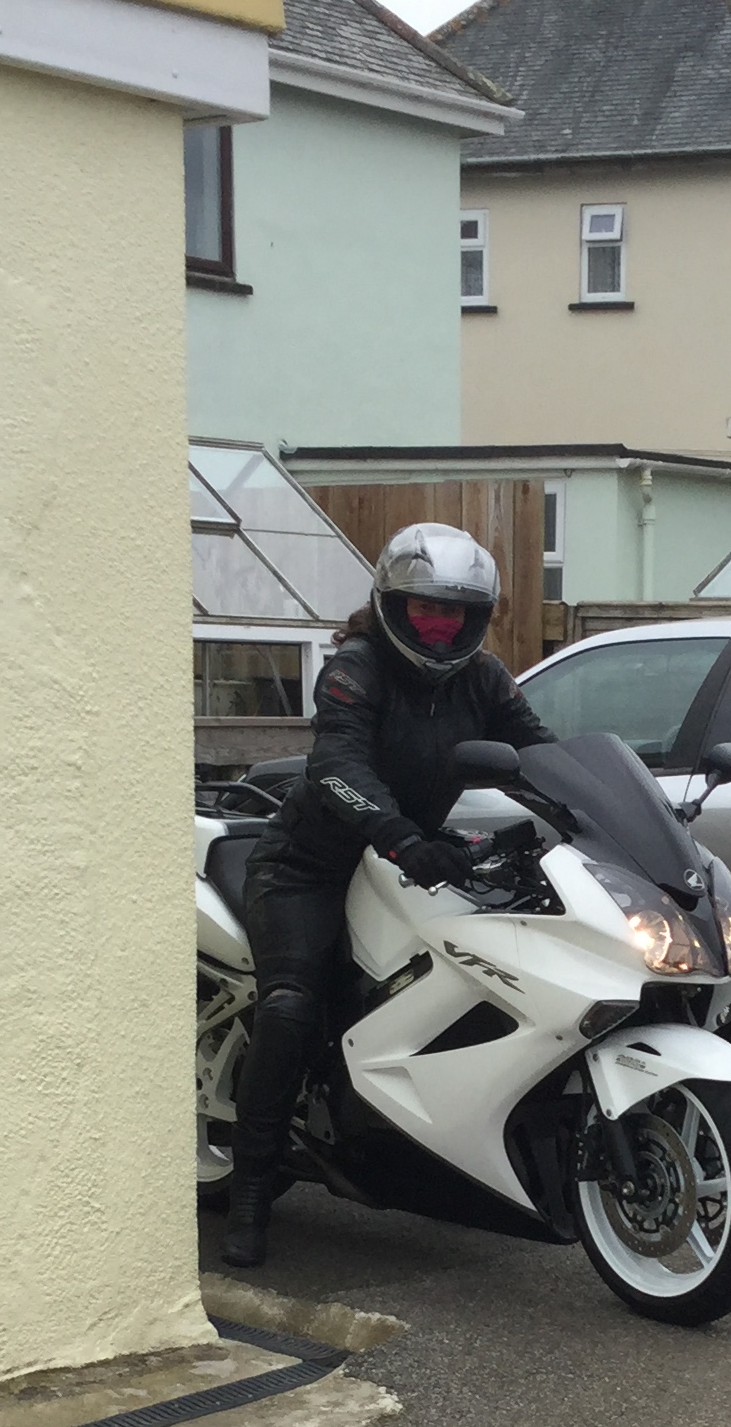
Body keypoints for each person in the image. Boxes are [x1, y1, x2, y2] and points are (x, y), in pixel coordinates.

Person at [221, 522, 558, 1269]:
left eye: (455, 612)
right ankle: (249, 1193)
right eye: (425, 609)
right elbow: (337, 766)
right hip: (310, 865)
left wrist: (594, 809)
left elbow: (541, 753)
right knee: (291, 1007)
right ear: (391, 606)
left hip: (407, 860)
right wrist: (403, 836)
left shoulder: (484, 678)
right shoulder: (356, 667)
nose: (440, 626)